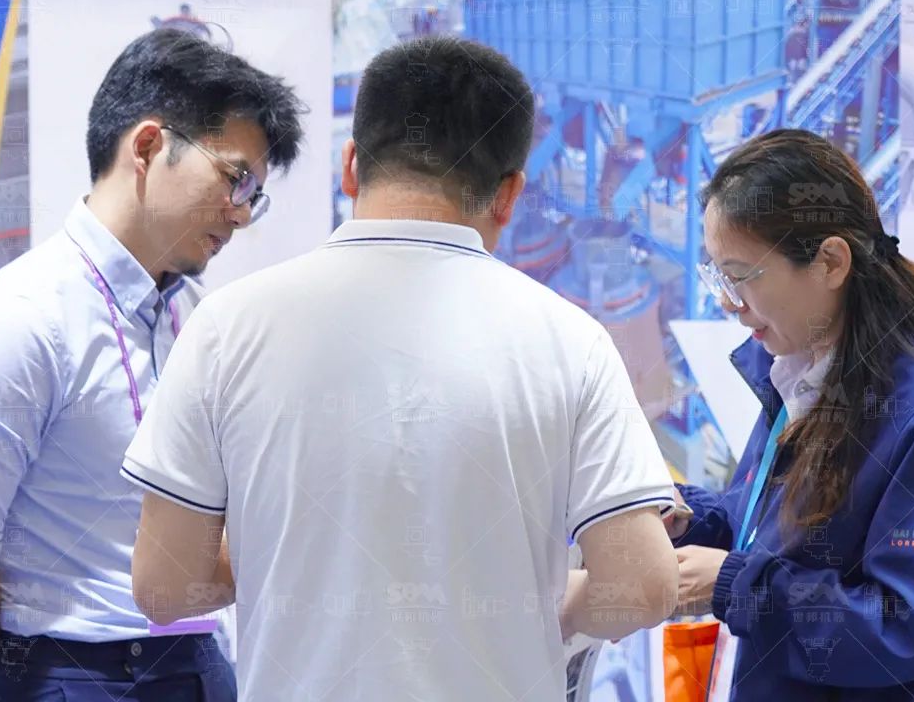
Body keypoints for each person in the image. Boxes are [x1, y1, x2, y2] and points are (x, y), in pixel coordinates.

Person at [120, 35, 682, 701]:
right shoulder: (571, 341)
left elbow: (165, 584)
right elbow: (642, 586)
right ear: (509, 195)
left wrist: (300, 555)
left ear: (351, 166)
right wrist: (548, 598)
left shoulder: (226, 327)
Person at [0, 28, 306, 701]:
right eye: (235, 179)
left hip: (201, 663)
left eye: (254, 195)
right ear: (147, 147)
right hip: (71, 669)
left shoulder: (200, 317)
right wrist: (31, 676)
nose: (240, 215)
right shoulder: (23, 317)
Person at [668, 128, 914, 700]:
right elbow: (767, 529)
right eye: (717, 276)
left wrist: (734, 585)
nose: (728, 302)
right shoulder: (798, 370)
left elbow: (906, 627)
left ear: (830, 261)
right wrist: (687, 517)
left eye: (741, 275)